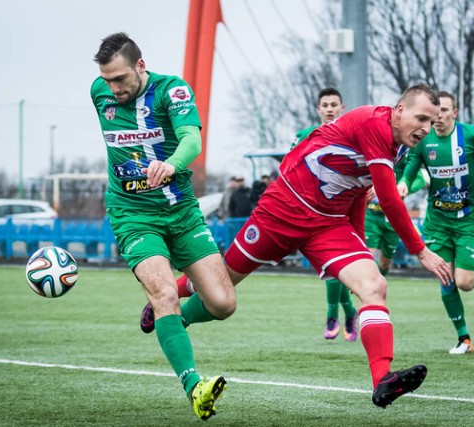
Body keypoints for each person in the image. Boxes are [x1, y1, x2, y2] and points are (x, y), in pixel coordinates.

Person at [146, 83, 453, 409]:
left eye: (431, 123)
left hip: (328, 225)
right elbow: (389, 199)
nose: (425, 129)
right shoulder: (373, 123)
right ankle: (173, 303)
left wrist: (359, 246)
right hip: (282, 210)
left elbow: (360, 190)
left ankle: (383, 380)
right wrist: (420, 249)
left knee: (374, 285)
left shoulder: (400, 144)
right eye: (421, 118)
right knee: (220, 288)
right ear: (400, 110)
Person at [90, 32, 236, 420]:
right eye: (107, 80)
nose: (113, 88)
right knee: (165, 291)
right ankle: (195, 386)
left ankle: (172, 319)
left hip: (182, 211)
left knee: (223, 304)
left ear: (140, 66)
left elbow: (192, 139)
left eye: (119, 78)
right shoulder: (99, 92)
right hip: (133, 214)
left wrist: (172, 163)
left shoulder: (173, 91)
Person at [398, 91, 474, 355]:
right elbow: (411, 168)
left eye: (445, 111)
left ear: (455, 113)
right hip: (438, 221)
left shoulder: (472, 136)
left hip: (468, 218)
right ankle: (464, 339)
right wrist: (402, 185)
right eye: (436, 112)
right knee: (445, 278)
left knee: (465, 282)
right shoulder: (424, 141)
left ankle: (470, 268)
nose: (439, 117)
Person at [295, 87, 358, 341]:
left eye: (334, 104)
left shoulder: (353, 135)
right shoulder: (304, 136)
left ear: (342, 108)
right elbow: (291, 167)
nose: (330, 109)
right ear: (318, 109)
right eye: (325, 105)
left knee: (335, 268)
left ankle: (332, 315)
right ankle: (350, 312)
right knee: (332, 269)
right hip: (314, 212)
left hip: (344, 211)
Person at [365, 159, 429, 276]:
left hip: (392, 218)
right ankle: (370, 288)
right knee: (368, 260)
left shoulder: (403, 154)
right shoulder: (374, 153)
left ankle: (379, 281)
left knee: (385, 264)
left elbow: (420, 180)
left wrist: (402, 189)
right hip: (372, 216)